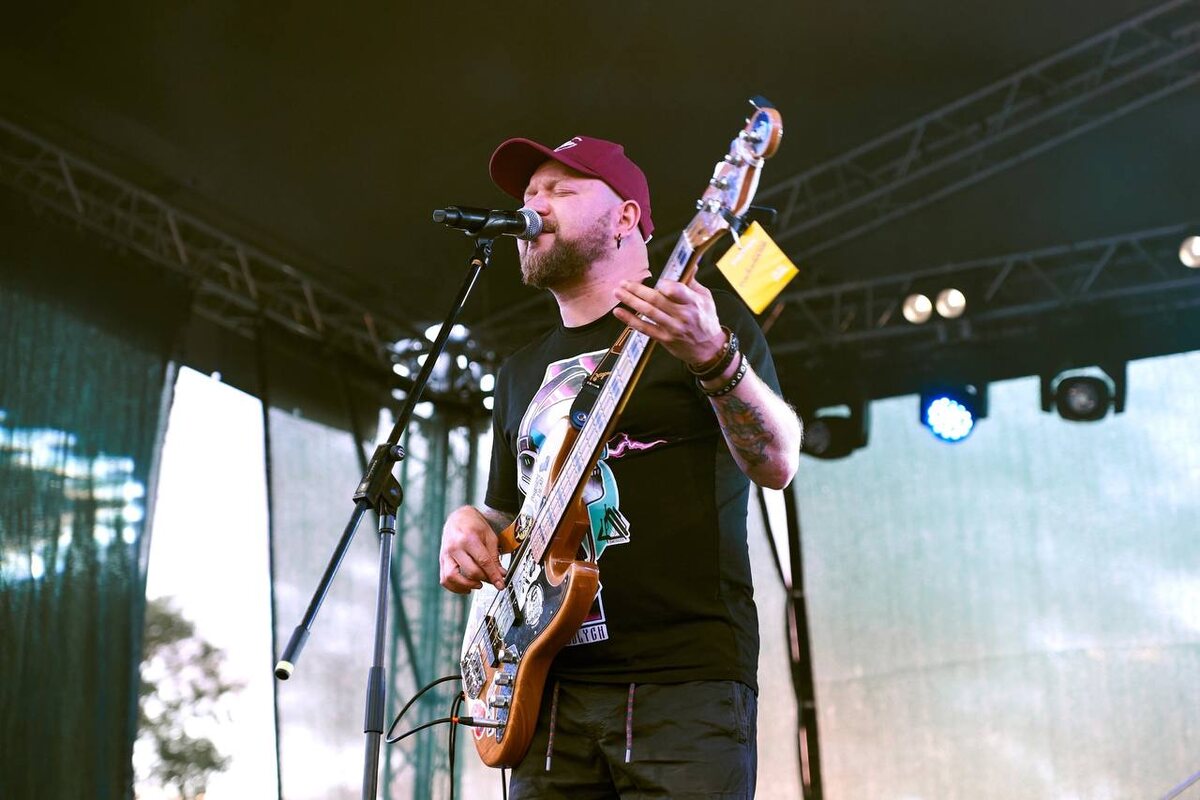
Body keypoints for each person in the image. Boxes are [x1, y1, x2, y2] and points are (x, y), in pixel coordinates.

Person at [439, 134, 802, 798]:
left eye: (559, 190)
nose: (532, 206)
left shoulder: (701, 326)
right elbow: (507, 512)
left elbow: (777, 462)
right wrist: (466, 523)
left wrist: (715, 358)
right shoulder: (519, 370)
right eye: (529, 194)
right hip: (544, 687)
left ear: (626, 217)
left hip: (681, 683)